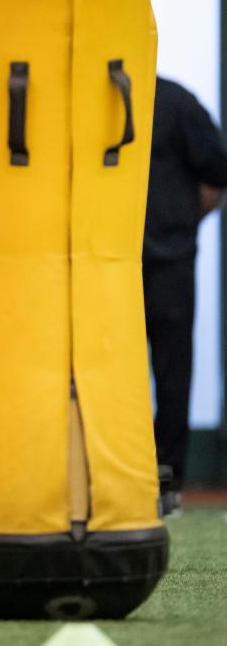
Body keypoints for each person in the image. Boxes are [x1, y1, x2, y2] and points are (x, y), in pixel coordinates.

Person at [143, 75, 227, 506]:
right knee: (105, 372)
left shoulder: (175, 102)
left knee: (172, 372)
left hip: (167, 261)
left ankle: (166, 480)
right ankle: (129, 477)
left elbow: (216, 173)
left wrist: (179, 227)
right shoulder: (84, 97)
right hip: (105, 261)